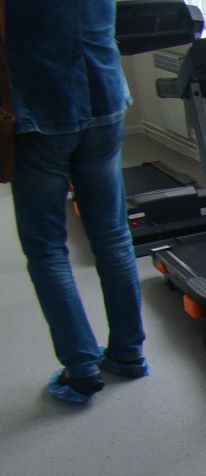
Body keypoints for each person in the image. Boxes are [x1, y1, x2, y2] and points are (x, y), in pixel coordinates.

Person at [7, 0, 148, 403]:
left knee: (47, 249)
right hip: (105, 101)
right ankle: (128, 353)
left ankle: (81, 367)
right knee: (113, 238)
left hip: (42, 112)